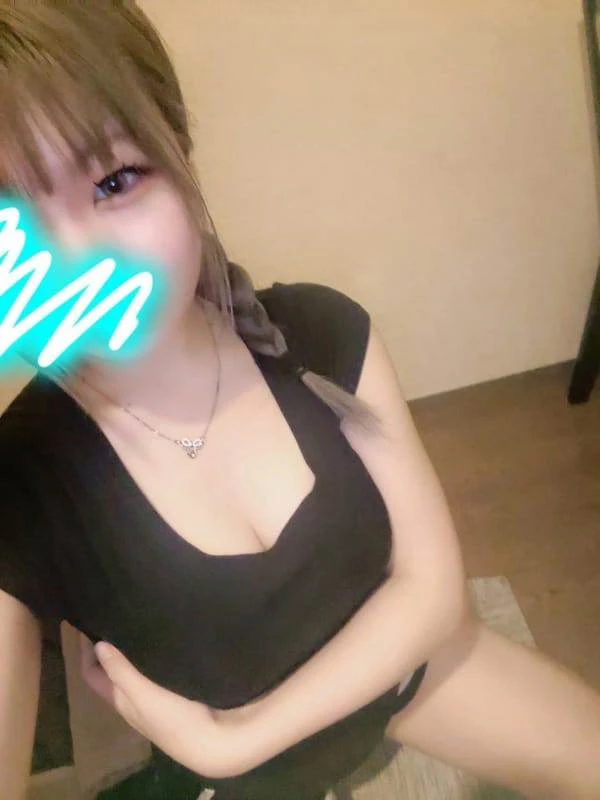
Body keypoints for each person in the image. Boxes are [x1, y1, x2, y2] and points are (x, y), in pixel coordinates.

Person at [0, 4, 599, 800]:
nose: (80, 265)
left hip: (400, 683)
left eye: (114, 181)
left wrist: (235, 740)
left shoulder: (321, 333)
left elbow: (432, 592)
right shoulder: (21, 487)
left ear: (179, 153)